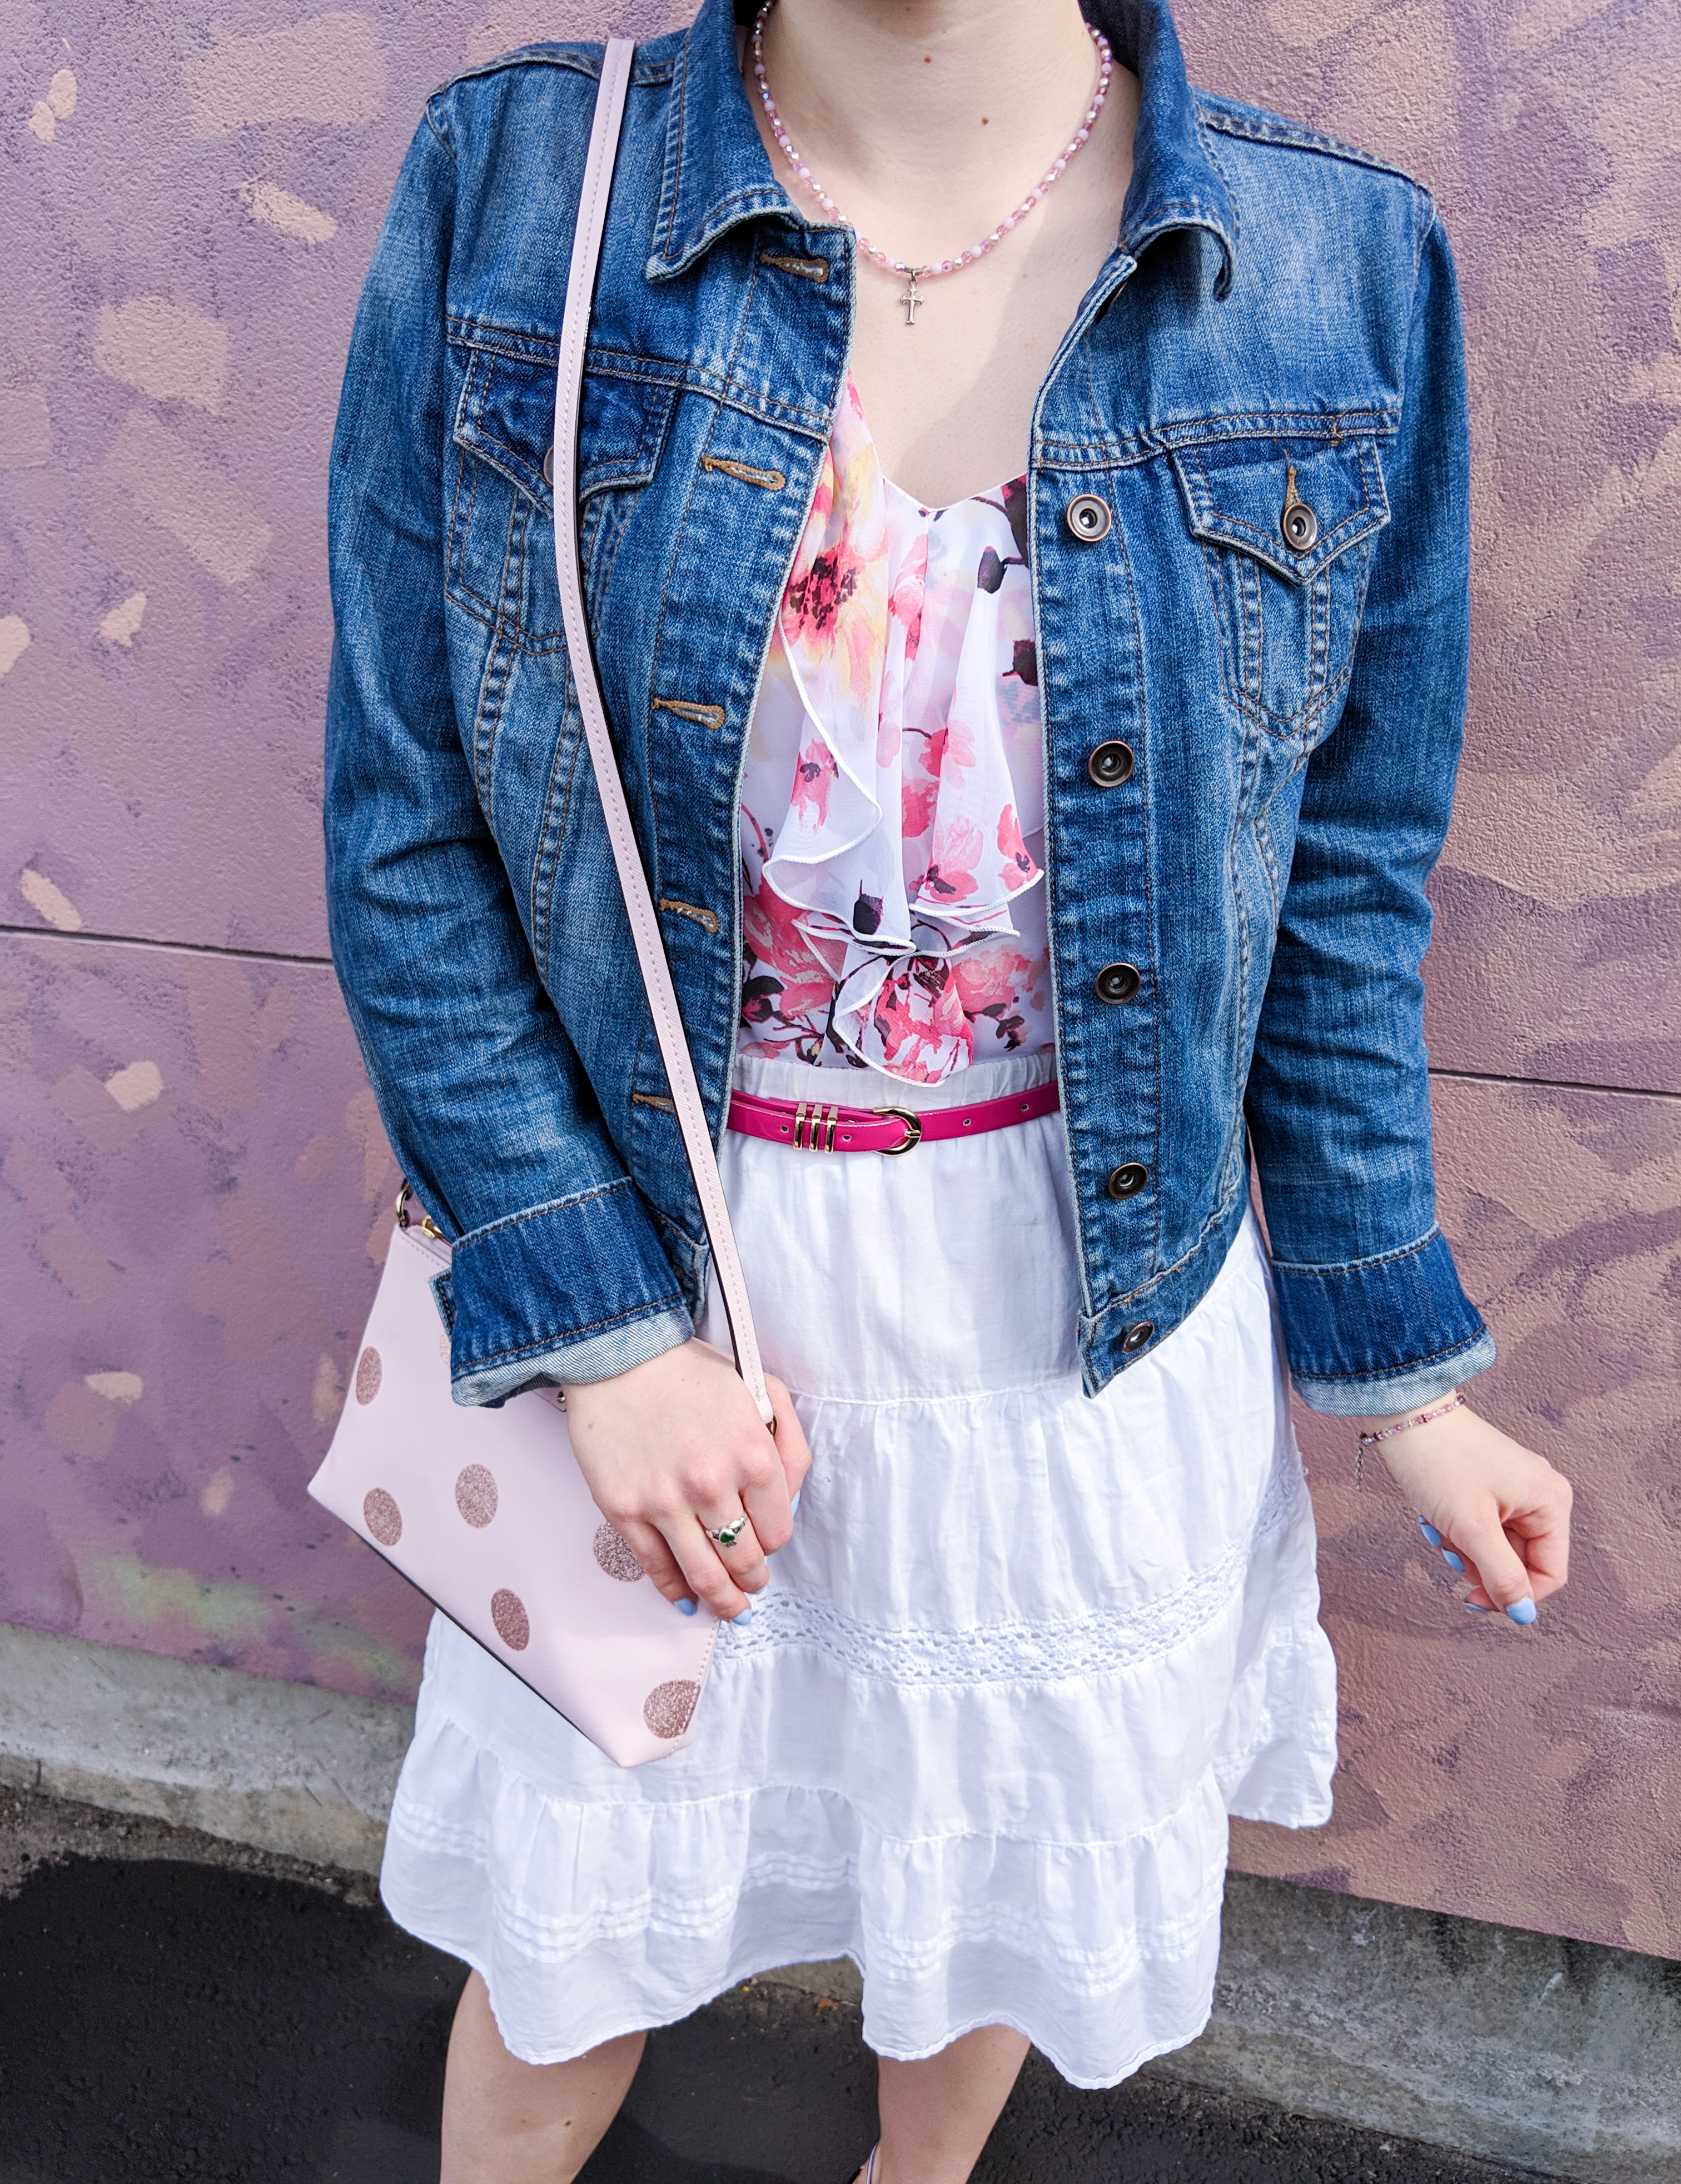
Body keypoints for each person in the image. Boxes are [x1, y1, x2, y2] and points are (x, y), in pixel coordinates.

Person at [323, 1, 1574, 2177]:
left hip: (1083, 1323)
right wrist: (603, 1335)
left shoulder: (1331, 262)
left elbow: (1345, 890)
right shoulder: (530, 190)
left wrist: (1399, 1356)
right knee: (567, 1942)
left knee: (991, 1913)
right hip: (660, 1275)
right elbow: (410, 824)